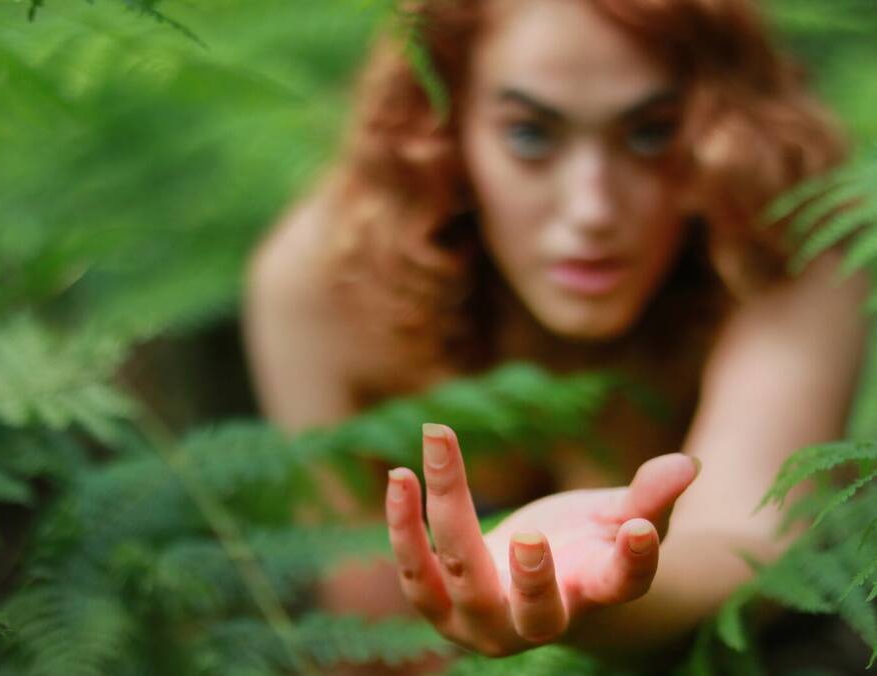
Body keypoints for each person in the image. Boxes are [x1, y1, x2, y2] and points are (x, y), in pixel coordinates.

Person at [243, 0, 870, 663]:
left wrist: (586, 589)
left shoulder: (788, 229)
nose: (591, 208)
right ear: (445, 123)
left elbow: (749, 535)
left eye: (651, 133)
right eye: (531, 136)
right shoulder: (325, 282)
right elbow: (373, 643)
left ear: (719, 124)